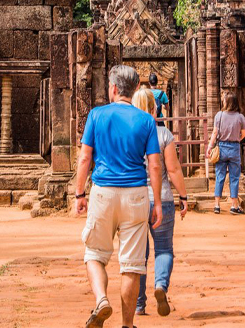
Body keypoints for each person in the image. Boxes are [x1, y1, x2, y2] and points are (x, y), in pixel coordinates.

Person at [76, 65, 163, 328]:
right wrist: (157, 201)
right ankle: (127, 325)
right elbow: (155, 164)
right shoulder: (146, 121)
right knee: (132, 266)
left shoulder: (97, 115)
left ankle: (102, 299)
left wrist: (80, 193)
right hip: (136, 194)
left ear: (113, 88)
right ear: (136, 89)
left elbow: (84, 158)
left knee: (94, 254)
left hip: (103, 192)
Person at [131, 88, 188, 318]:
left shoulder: (128, 133)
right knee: (164, 249)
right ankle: (161, 285)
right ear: (154, 109)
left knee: (138, 254)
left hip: (134, 199)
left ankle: (138, 304)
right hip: (162, 198)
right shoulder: (163, 134)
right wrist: (183, 196)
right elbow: (173, 170)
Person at [206, 91, 245, 215]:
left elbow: (214, 133)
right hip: (234, 148)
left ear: (227, 102)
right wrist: (236, 140)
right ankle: (234, 205)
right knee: (234, 177)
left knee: (220, 176)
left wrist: (210, 146)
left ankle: (217, 204)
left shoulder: (219, 115)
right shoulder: (240, 117)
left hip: (222, 147)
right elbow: (244, 134)